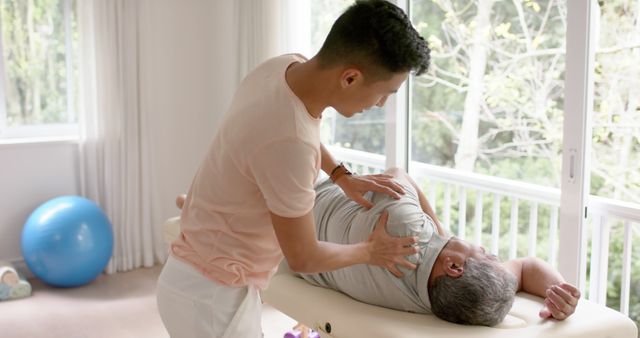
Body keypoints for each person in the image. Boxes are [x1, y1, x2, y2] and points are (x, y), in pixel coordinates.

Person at [156, 1, 431, 337]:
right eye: (385, 92)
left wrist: (341, 175)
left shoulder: (283, 68)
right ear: (350, 77)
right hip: (211, 297)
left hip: (201, 278)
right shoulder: (289, 143)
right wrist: (371, 251)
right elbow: (303, 258)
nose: (381, 104)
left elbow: (297, 129)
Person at [300, 167, 581, 326]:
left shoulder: (405, 230)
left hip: (306, 189)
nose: (482, 246)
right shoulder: (441, 301)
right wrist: (561, 296)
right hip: (305, 258)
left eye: (485, 254)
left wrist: (437, 229)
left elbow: (398, 173)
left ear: (454, 266)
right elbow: (525, 266)